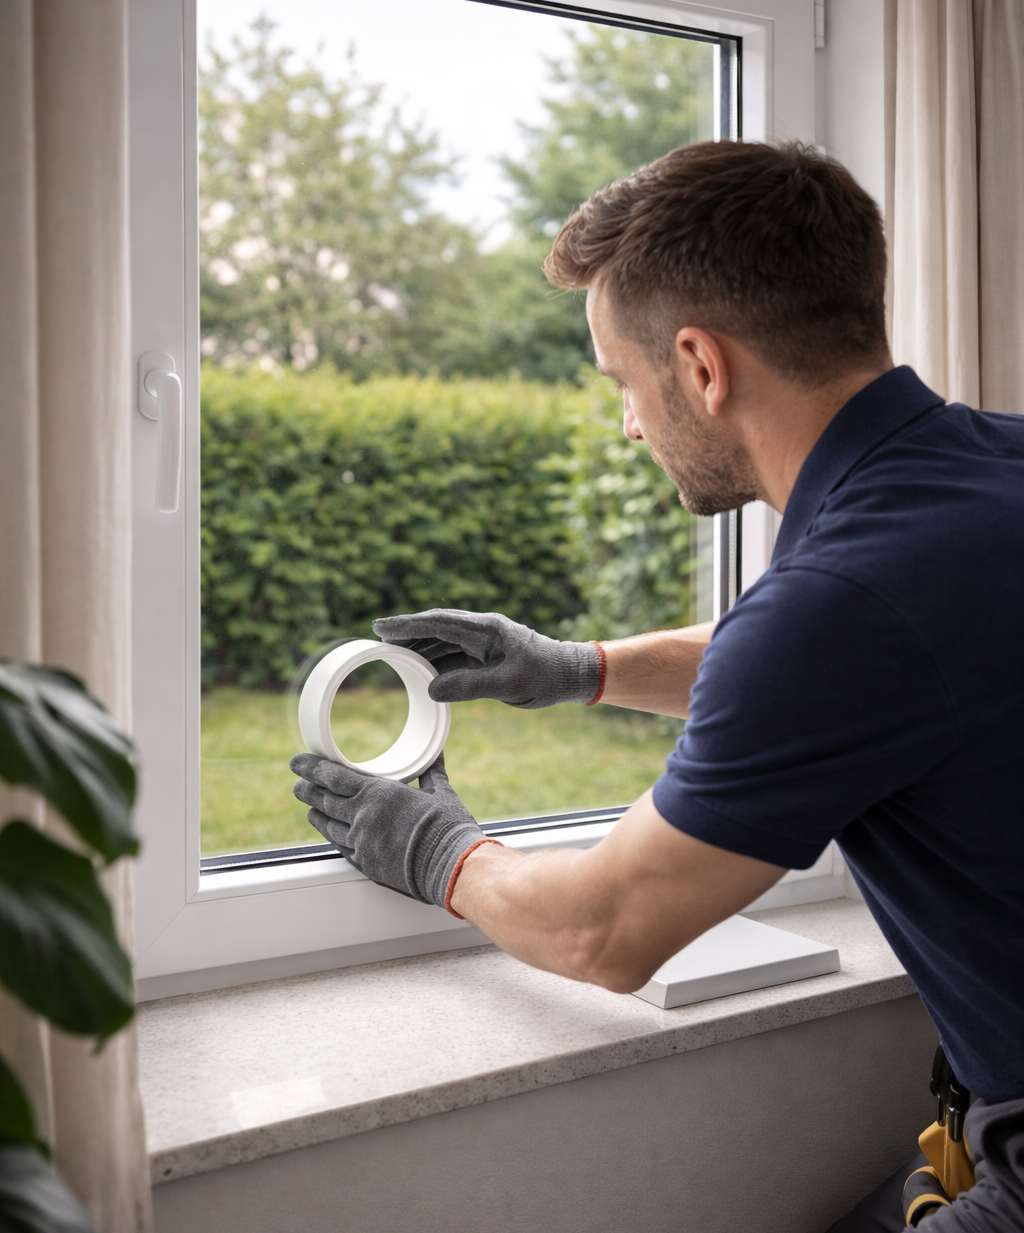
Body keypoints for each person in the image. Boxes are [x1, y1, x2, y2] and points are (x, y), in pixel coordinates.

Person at [291, 140, 1024, 1231]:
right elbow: (867, 664)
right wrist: (577, 669)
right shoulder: (985, 472)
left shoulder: (842, 607)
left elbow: (603, 931)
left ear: (699, 364)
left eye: (621, 383)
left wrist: (441, 849)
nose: (629, 423)